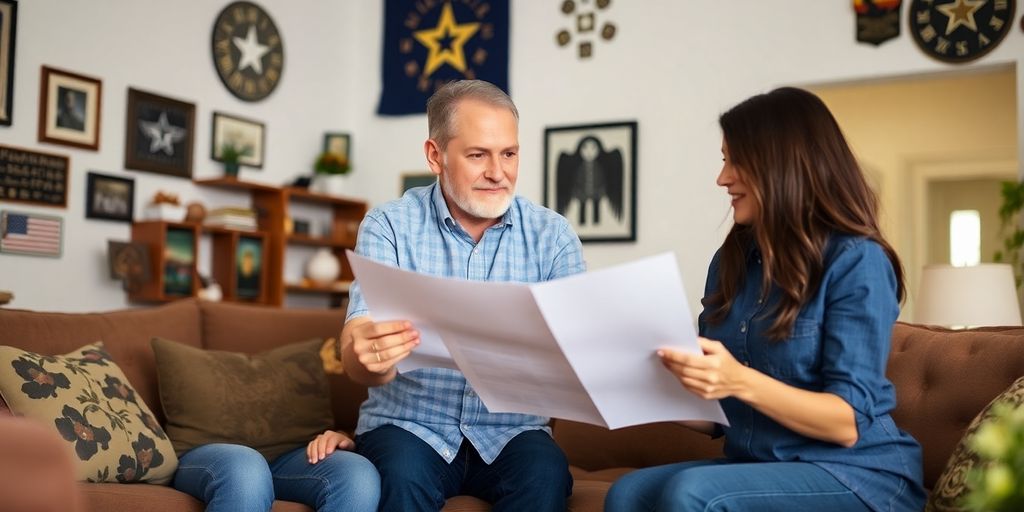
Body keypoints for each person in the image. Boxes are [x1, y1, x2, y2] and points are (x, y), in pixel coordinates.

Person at [605, 87, 926, 512]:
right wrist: (622, 382)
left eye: (735, 160)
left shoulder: (856, 261)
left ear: (781, 165)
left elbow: (846, 422)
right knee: (627, 493)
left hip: (855, 472)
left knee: (692, 495)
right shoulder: (731, 260)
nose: (722, 178)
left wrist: (736, 378)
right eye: (724, 160)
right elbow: (715, 414)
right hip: (758, 463)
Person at [330, 79, 586, 511]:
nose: (498, 172)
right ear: (435, 155)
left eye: (509, 153)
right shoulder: (389, 225)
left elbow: (582, 347)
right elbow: (358, 343)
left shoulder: (554, 236)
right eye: (477, 155)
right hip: (410, 426)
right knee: (401, 476)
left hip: (512, 432)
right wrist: (365, 356)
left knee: (545, 474)